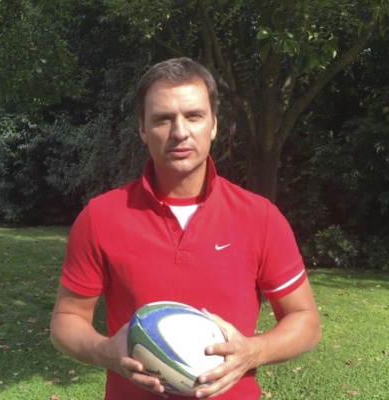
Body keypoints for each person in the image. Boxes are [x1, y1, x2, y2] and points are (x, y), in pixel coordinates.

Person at [50, 57, 321, 399]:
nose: (180, 132)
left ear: (214, 125)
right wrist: (106, 351)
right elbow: (66, 319)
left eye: (194, 116)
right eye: (163, 119)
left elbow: (305, 320)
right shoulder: (100, 217)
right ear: (142, 129)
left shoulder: (260, 217)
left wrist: (253, 351)